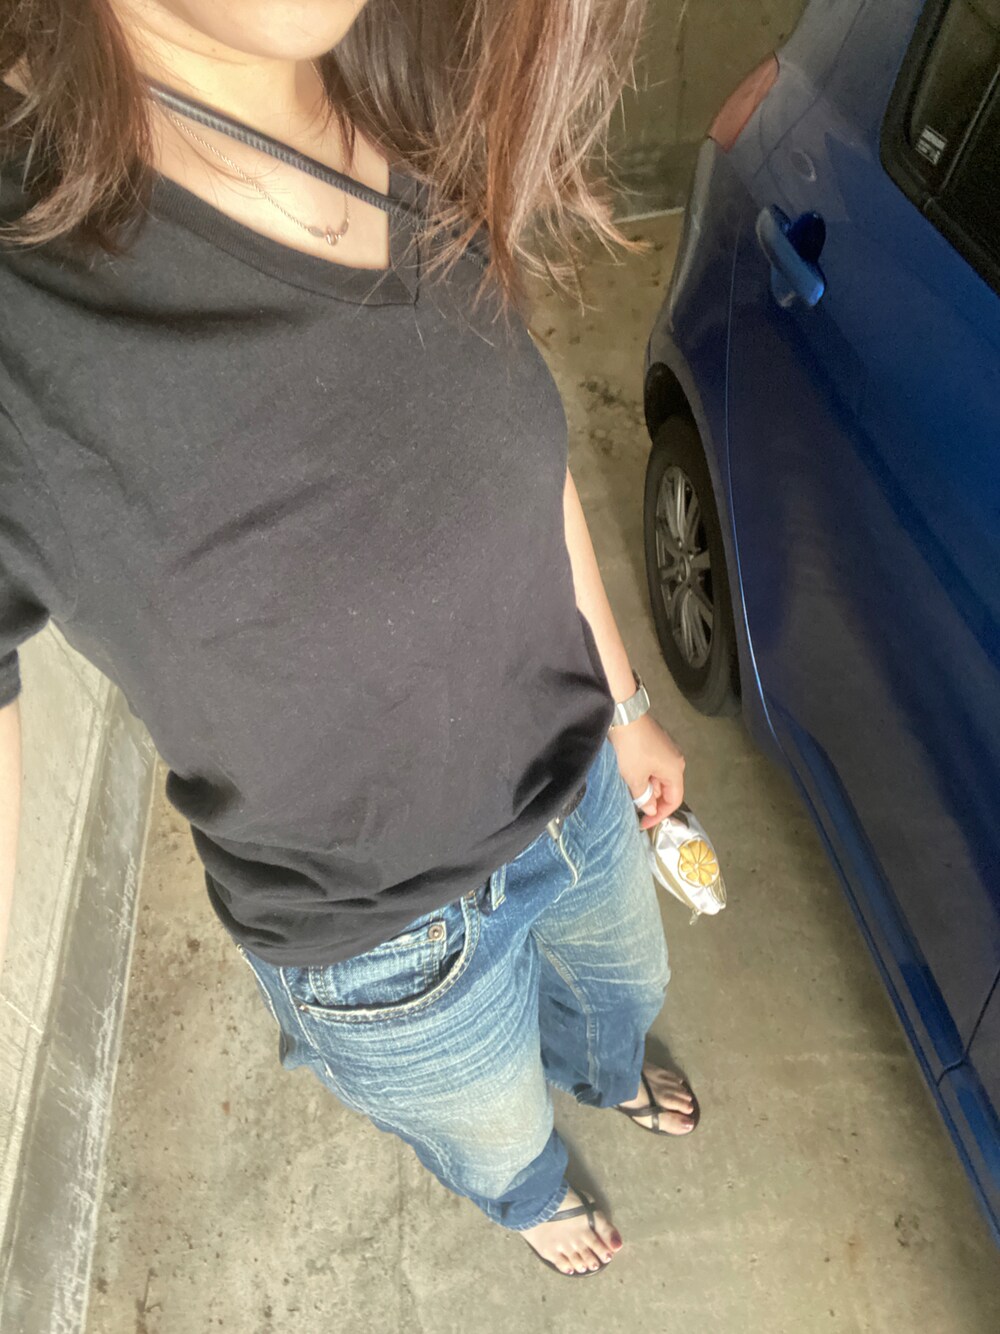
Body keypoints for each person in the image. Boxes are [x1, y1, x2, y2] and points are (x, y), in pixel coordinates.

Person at [0, 0, 699, 1278]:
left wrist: (627, 699)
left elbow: (516, 461)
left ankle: (605, 1072)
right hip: (380, 941)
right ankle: (529, 1194)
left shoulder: (424, 89)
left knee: (623, 995)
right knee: (493, 1127)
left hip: (580, 791)